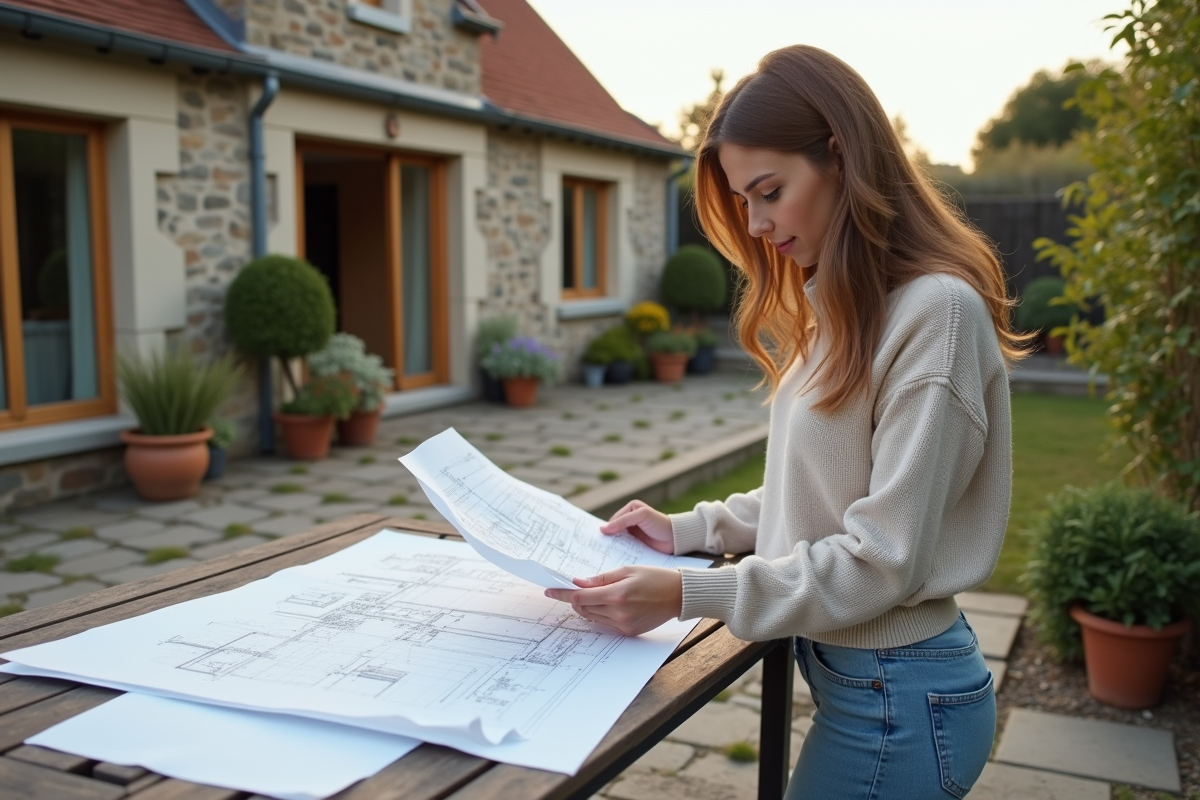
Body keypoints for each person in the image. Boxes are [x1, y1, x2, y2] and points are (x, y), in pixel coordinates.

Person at [545, 44, 1028, 799]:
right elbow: (825, 493)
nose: (757, 224)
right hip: (866, 689)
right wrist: (690, 530)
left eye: (768, 191)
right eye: (744, 201)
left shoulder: (937, 315)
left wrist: (684, 595)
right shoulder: (839, 305)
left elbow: (882, 557)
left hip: (901, 707)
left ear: (841, 156)